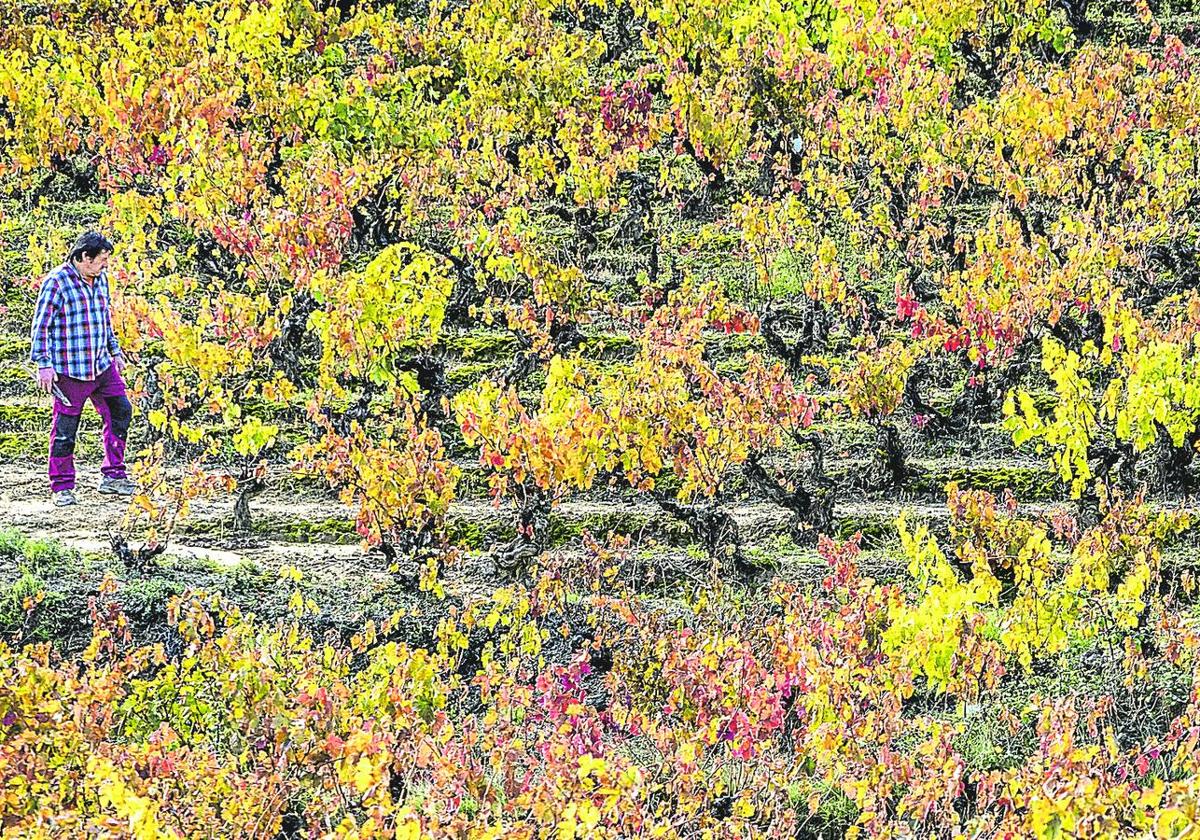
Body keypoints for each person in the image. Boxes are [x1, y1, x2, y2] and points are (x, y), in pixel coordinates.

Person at [29, 231, 136, 507]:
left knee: (120, 410)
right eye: (101, 260)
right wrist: (43, 364)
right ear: (84, 258)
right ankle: (62, 486)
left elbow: (105, 319)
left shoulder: (101, 282)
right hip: (70, 369)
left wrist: (115, 351)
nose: (106, 265)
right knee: (65, 428)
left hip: (101, 364)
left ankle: (113, 474)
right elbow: (41, 326)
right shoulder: (57, 282)